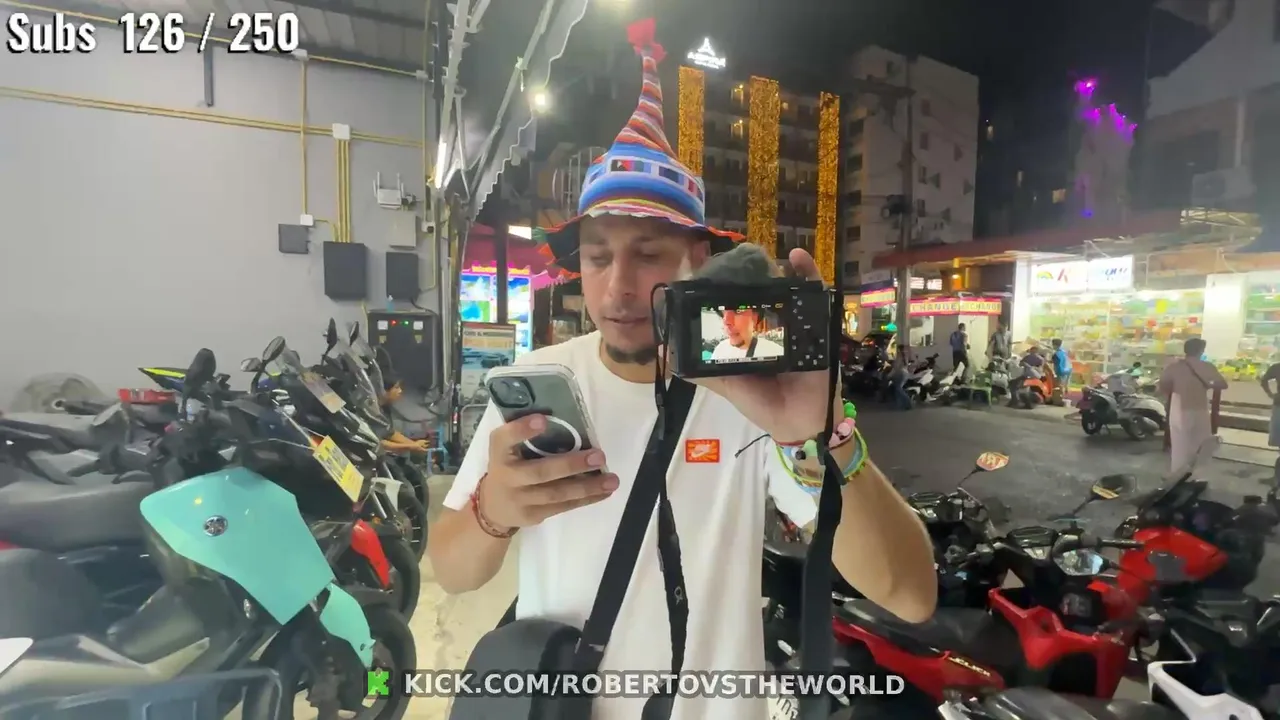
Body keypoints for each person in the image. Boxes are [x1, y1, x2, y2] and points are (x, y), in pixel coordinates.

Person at [426, 20, 936, 720]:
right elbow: (451, 572)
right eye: (598, 257)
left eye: (649, 255)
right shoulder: (539, 380)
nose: (618, 288)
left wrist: (820, 438)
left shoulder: (748, 392)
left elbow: (911, 595)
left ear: (698, 260)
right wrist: (494, 512)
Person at [1158, 338, 1228, 472]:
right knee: (1201, 443)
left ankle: (1179, 474)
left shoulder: (1174, 367)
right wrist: (1208, 384)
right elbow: (1223, 384)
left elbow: (1163, 386)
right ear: (1201, 351)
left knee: (1180, 444)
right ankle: (1198, 475)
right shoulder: (1207, 366)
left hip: (1179, 408)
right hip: (1201, 408)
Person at [712, 307, 785, 361]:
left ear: (755, 318)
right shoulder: (720, 350)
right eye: (723, 313)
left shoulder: (775, 352)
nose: (726, 322)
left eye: (738, 311)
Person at [1260, 361, 1280, 448]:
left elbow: (1264, 380)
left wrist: (1270, 394)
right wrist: (1270, 394)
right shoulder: (1277, 367)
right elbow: (1264, 380)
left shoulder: (1277, 367)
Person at [889, 346, 912, 410]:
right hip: (905, 373)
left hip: (900, 374)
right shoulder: (905, 356)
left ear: (898, 350)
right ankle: (900, 404)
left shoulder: (899, 357)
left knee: (898, 389)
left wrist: (890, 375)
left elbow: (895, 368)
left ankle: (908, 402)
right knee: (898, 389)